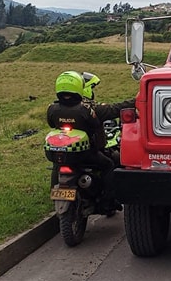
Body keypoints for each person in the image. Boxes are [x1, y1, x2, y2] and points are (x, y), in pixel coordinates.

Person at [46, 71, 119, 210]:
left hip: (61, 153)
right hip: (85, 154)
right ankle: (108, 201)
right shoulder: (85, 110)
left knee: (57, 164)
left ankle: (54, 195)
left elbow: (51, 123)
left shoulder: (52, 108)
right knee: (108, 165)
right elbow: (95, 125)